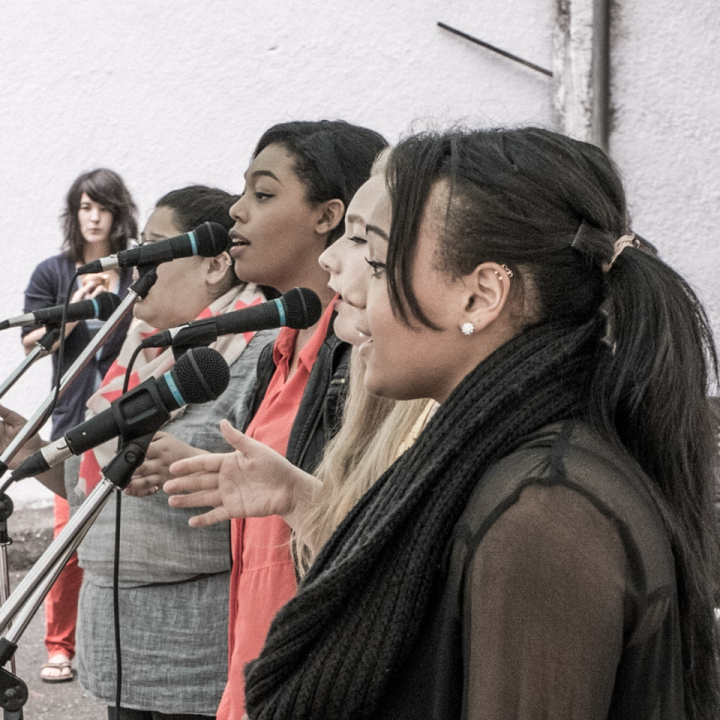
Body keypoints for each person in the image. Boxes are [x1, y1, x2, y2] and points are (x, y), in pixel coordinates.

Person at [231, 128, 719, 720]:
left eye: (380, 264)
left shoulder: (544, 511)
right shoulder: (509, 470)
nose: (353, 288)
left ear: (481, 296)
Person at [161, 120, 386, 719]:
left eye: (263, 194)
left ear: (329, 216)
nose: (235, 211)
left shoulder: (368, 361)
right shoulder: (276, 349)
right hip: (253, 673)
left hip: (312, 682)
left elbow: (364, 533)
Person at [64, 184, 279, 720]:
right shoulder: (136, 353)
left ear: (215, 265)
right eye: (136, 249)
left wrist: (186, 462)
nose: (139, 268)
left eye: (155, 250)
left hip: (198, 642)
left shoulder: (259, 351)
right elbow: (90, 489)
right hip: (114, 635)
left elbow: (280, 489)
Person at [21, 168, 137, 683]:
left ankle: (118, 645)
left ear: (118, 213)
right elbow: (32, 342)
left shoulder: (136, 272)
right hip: (71, 418)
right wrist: (78, 306)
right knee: (67, 541)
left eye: (102, 207)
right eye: (84, 208)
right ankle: (58, 646)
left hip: (129, 416)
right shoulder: (53, 272)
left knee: (128, 541)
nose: (93, 217)